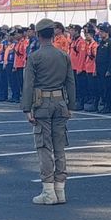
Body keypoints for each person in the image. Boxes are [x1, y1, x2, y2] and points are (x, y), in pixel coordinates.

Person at [22, 18, 76, 205]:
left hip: (42, 103)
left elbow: (28, 84)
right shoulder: (63, 56)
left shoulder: (35, 57)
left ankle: (48, 191)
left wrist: (26, 108)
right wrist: (71, 106)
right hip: (61, 103)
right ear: (54, 35)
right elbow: (70, 82)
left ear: (38, 35)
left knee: (44, 146)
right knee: (59, 146)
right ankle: (60, 190)